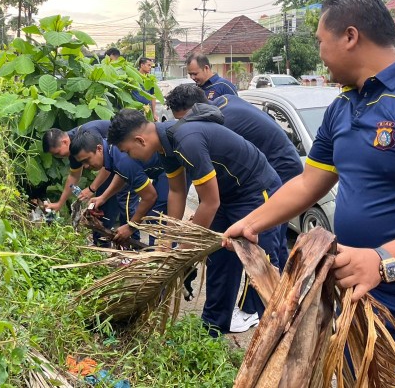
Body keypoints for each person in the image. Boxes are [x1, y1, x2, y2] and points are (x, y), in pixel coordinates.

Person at [223, 0, 395, 388]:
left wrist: (382, 261)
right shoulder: (344, 107)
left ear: (350, 36)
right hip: (361, 294)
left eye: (320, 40)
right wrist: (252, 222)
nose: (319, 52)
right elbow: (310, 181)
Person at [108, 107, 283, 336]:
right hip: (226, 195)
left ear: (140, 140)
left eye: (127, 151)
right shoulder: (165, 145)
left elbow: (210, 203)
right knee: (219, 258)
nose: (129, 157)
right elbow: (177, 192)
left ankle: (276, 335)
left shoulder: (187, 140)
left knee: (261, 266)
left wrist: (184, 250)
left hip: (256, 191)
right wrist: (167, 242)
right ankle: (211, 331)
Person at [165, 83, 303, 268]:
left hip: (280, 167)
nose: (182, 127)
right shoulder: (220, 104)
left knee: (269, 241)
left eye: (183, 120)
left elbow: (211, 184)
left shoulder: (218, 122)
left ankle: (284, 290)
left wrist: (204, 211)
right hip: (264, 165)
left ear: (195, 109)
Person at [70, 131, 169, 245]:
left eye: (87, 160)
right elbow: (121, 174)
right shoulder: (110, 149)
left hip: (169, 168)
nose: (86, 166)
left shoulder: (121, 159)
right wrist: (103, 197)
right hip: (159, 170)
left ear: (98, 149)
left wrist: (131, 227)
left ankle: (163, 255)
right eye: (82, 162)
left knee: (158, 218)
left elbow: (150, 196)